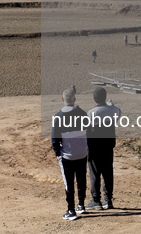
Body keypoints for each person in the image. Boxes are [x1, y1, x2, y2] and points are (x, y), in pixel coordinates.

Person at [52, 88, 88, 221]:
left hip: (67, 155)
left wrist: (57, 153)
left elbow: (55, 138)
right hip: (82, 153)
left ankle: (71, 210)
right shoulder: (83, 114)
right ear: (74, 99)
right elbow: (88, 132)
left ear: (63, 99)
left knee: (69, 183)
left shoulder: (58, 117)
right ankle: (81, 205)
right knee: (81, 179)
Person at [86, 87, 121, 211]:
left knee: (95, 174)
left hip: (94, 148)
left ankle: (96, 201)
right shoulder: (113, 110)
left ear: (94, 99)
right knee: (108, 173)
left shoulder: (91, 113)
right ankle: (108, 200)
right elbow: (117, 111)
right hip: (108, 146)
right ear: (105, 97)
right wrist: (111, 104)